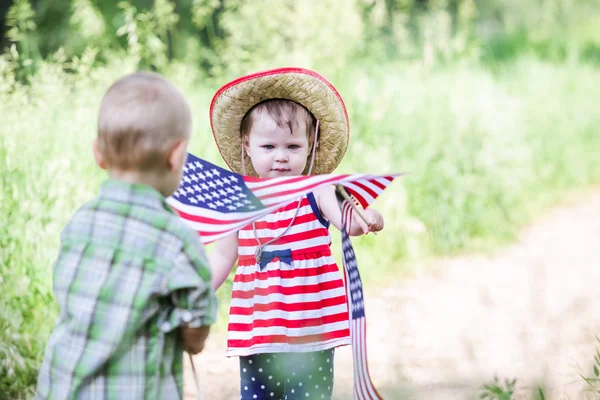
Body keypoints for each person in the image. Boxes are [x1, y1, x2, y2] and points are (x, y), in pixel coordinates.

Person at [35, 71, 217, 400]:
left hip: (61, 389)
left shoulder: (80, 223)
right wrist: (191, 332)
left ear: (98, 153)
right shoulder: (176, 239)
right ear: (176, 156)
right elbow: (196, 335)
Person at [208, 67, 385, 399]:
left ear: (310, 144)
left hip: (311, 323)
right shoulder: (239, 201)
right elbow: (223, 254)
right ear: (247, 144)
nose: (281, 156)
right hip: (259, 325)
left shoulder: (317, 191)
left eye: (292, 146)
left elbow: (349, 220)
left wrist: (368, 218)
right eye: (269, 146)